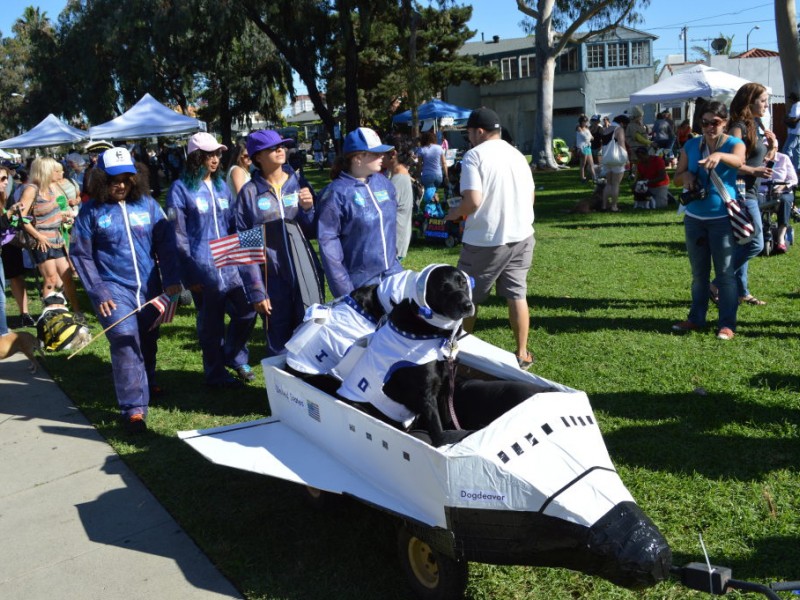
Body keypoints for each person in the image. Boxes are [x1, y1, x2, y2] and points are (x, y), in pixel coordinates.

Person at [70, 148, 182, 433]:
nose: (120, 185)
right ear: (99, 179)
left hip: (150, 287)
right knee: (124, 337)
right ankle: (133, 408)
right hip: (112, 289)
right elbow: (81, 254)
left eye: (126, 178)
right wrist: (98, 291)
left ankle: (148, 380)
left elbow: (166, 244)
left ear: (136, 178)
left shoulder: (147, 205)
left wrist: (170, 278)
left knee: (147, 336)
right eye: (112, 179)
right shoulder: (91, 211)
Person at [444, 107, 535, 369]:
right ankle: (522, 353)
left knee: (465, 295)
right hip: (522, 235)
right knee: (517, 294)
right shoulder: (517, 154)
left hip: (486, 239)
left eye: (469, 132)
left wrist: (454, 214)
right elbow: (530, 196)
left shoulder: (474, 156)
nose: (468, 138)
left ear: (479, 131)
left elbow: (472, 200)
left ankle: (457, 347)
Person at [167, 132, 257, 387]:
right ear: (196, 157)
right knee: (211, 323)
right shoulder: (180, 189)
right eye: (209, 154)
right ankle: (216, 373)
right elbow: (178, 235)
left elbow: (234, 224)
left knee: (248, 311)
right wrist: (190, 275)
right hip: (202, 265)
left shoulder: (220, 186)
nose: (215, 158)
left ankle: (233, 356)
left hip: (230, 261)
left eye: (217, 153)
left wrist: (249, 254)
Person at [232, 129, 323, 357]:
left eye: (282, 146)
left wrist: (309, 209)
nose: (280, 150)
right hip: (271, 279)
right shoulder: (250, 194)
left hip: (306, 275)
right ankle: (281, 390)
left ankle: (310, 388)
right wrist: (257, 292)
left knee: (312, 335)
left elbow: (313, 231)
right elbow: (245, 247)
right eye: (272, 148)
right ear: (257, 157)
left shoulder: (299, 183)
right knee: (279, 342)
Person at [672, 101, 745, 341]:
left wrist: (720, 155)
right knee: (698, 274)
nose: (709, 127)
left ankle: (727, 324)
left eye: (715, 122)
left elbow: (739, 162)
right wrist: (687, 176)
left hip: (722, 218)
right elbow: (676, 178)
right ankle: (696, 318)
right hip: (695, 218)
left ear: (724, 123)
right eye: (705, 123)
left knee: (725, 274)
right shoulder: (692, 145)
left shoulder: (734, 143)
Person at [317, 127, 402, 298]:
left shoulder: (384, 184)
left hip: (393, 277)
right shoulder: (336, 193)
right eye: (375, 153)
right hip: (360, 285)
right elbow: (329, 247)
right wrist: (345, 292)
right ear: (357, 158)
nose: (382, 157)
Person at [725, 82, 776, 306]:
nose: (766, 105)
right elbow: (729, 162)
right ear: (750, 101)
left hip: (752, 189)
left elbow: (758, 162)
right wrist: (753, 170)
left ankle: (741, 291)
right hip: (740, 191)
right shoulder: (738, 127)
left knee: (743, 241)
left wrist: (772, 148)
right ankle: (718, 283)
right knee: (755, 242)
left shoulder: (755, 124)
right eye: (763, 100)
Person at [14, 157, 81, 312]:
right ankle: (50, 315)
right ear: (45, 171)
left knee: (67, 278)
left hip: (56, 238)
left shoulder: (52, 187)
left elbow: (53, 211)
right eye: (54, 170)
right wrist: (38, 236)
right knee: (50, 279)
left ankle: (77, 312)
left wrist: (63, 216)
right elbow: (21, 218)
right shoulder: (31, 189)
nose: (58, 172)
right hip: (42, 240)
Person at [383, 134, 415, 261]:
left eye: (383, 152)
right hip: (395, 244)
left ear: (393, 154)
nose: (380, 156)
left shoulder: (398, 180)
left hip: (394, 246)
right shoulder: (396, 176)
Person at [760, 149, 797, 253]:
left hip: (781, 192)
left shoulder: (783, 158)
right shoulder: (756, 158)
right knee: (754, 201)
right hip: (762, 192)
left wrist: (783, 187)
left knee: (785, 200)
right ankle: (755, 235)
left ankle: (781, 238)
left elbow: (793, 179)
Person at [601, 114, 629, 212]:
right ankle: (614, 206)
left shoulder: (606, 130)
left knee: (608, 184)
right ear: (621, 123)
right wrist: (627, 158)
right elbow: (622, 144)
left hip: (607, 159)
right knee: (616, 184)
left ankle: (604, 206)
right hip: (617, 159)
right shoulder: (619, 129)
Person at [416, 130, 449, 204]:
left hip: (427, 175)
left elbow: (419, 165)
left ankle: (431, 211)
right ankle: (438, 209)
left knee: (430, 196)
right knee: (435, 193)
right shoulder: (439, 148)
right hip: (438, 175)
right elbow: (444, 163)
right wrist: (446, 176)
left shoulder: (422, 150)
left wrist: (418, 175)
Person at [782, 91, 800, 172]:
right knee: (797, 152)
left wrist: (786, 119)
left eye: (790, 99)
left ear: (793, 99)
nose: (789, 100)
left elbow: (794, 118)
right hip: (798, 132)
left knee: (786, 149)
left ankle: (790, 168)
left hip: (794, 132)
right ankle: (797, 170)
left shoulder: (795, 105)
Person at [575, 115, 596, 183]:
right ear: (581, 122)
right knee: (583, 164)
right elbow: (585, 138)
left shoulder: (587, 129)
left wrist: (588, 137)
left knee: (591, 164)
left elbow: (592, 137)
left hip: (587, 147)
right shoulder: (579, 128)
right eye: (584, 121)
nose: (585, 123)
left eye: (586, 121)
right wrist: (589, 137)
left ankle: (594, 178)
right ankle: (582, 178)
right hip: (581, 148)